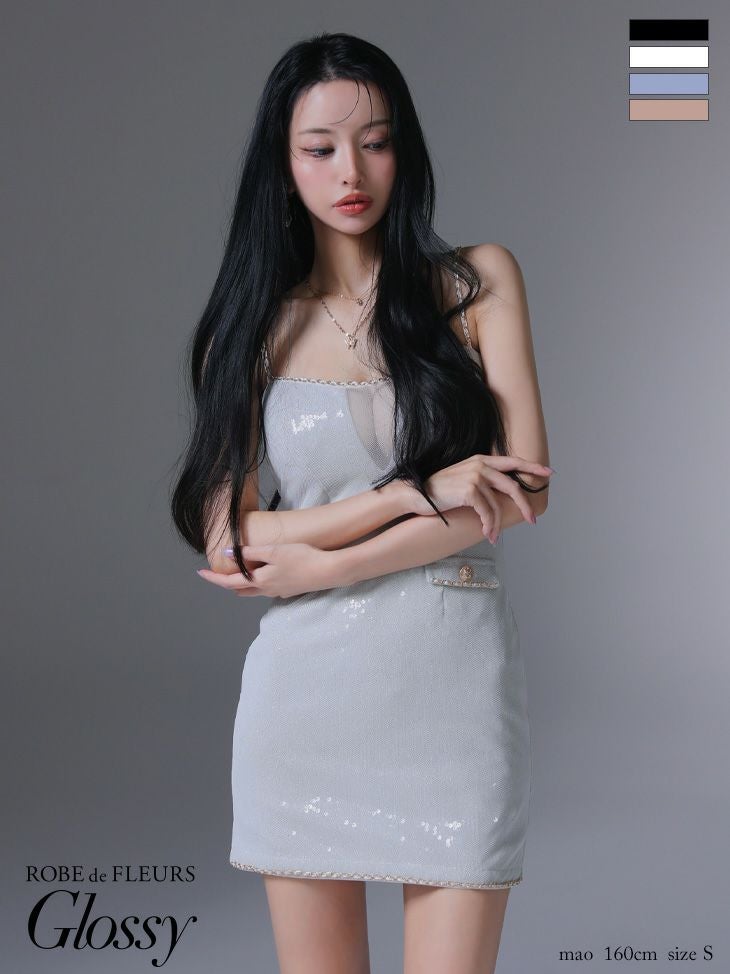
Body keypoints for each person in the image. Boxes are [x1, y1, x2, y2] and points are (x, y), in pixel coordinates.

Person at [171, 31, 551, 974]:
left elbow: (521, 491)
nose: (351, 171)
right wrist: (413, 493)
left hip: (454, 692)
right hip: (306, 705)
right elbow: (230, 540)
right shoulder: (251, 328)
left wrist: (326, 562)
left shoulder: (475, 283)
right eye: (321, 147)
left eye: (375, 142)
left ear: (403, 150)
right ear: (283, 162)